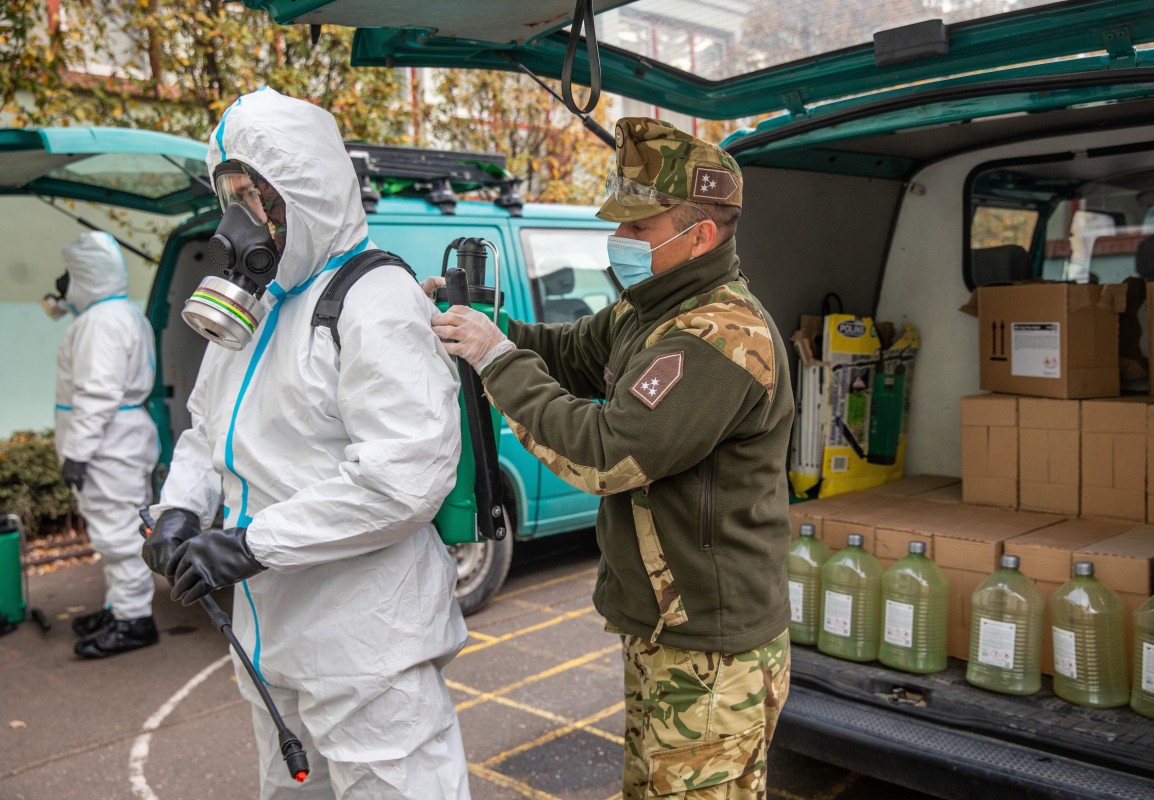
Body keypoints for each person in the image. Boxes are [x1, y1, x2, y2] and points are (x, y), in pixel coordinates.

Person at [432, 117, 794, 799]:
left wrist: (494, 359)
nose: (617, 243)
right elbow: (565, 353)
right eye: (620, 225)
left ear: (702, 236)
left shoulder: (720, 337)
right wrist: (473, 322)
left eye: (638, 230)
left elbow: (606, 454)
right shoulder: (650, 308)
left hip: (711, 648)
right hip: (671, 630)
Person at [141, 87, 470, 799]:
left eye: (259, 195)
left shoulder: (373, 300)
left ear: (311, 189)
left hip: (365, 652)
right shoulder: (256, 307)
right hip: (271, 642)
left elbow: (403, 477)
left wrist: (249, 543)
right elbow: (207, 435)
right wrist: (179, 513)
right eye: (230, 193)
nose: (242, 219)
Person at [50, 231, 161, 659]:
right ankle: (119, 609)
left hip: (109, 445)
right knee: (115, 528)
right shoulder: (118, 314)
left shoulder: (102, 322)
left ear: (87, 274)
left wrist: (77, 452)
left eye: (70, 275)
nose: (63, 283)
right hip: (117, 439)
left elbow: (97, 394)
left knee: (119, 535)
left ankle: (134, 621)